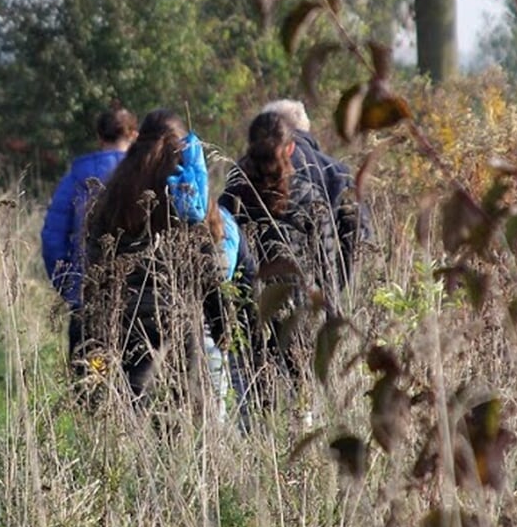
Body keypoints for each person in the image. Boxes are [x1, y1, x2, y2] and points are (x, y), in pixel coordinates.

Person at [78, 109, 229, 407]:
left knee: (128, 407)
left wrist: (94, 318)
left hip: (121, 319)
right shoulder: (191, 197)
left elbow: (94, 262)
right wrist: (222, 322)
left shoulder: (114, 192)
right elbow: (210, 264)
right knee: (181, 418)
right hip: (178, 320)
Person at [220, 110, 342, 400]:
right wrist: (332, 316)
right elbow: (326, 266)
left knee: (251, 401)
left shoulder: (231, 199)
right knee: (303, 402)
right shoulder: (309, 197)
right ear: (290, 149)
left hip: (246, 312)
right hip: (296, 312)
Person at [40, 106, 137, 362]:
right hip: (139, 301)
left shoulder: (76, 177)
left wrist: (69, 286)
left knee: (89, 389)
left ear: (99, 137)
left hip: (88, 296)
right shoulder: (147, 175)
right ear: (134, 135)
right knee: (136, 387)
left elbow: (53, 238)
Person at [259, 99, 368, 285]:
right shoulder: (337, 171)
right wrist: (335, 282)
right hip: (321, 286)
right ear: (306, 127)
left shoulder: (249, 169)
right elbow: (358, 232)